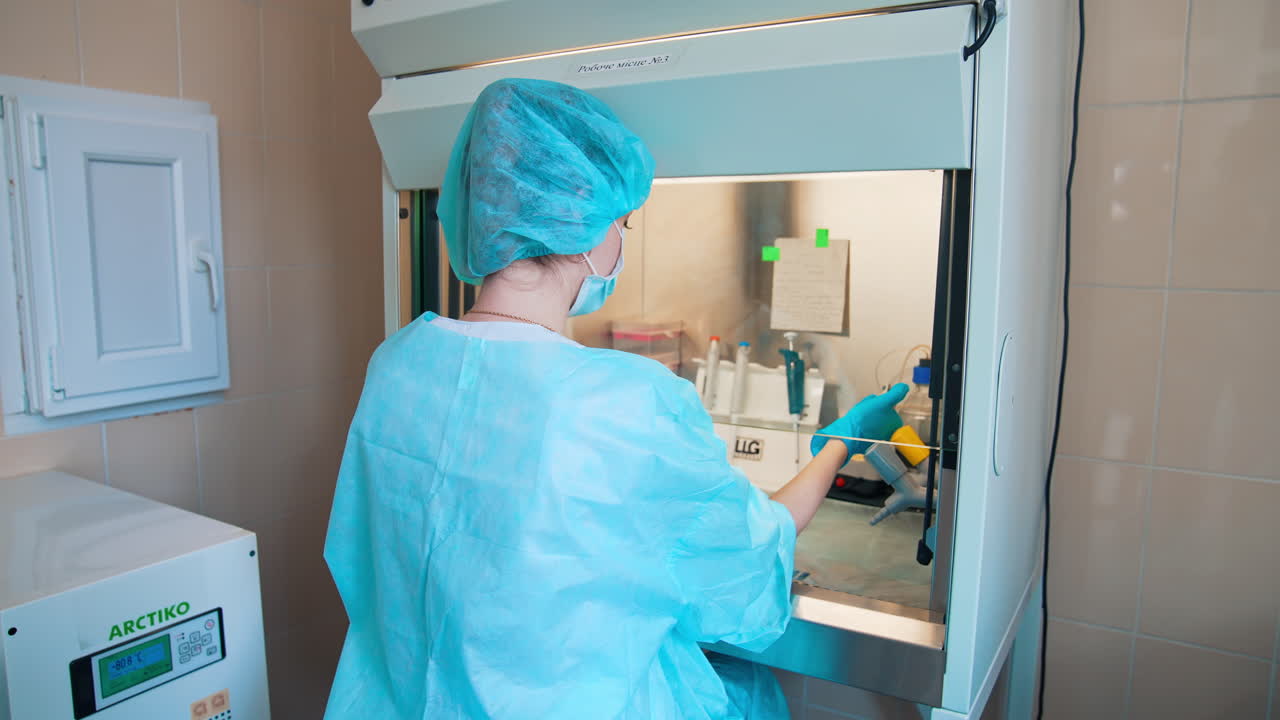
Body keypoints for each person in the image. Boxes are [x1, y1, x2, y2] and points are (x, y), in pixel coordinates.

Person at [322, 78, 907, 719]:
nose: (622, 242)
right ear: (583, 226)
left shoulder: (398, 365)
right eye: (623, 223)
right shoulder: (624, 401)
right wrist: (837, 446)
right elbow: (748, 560)